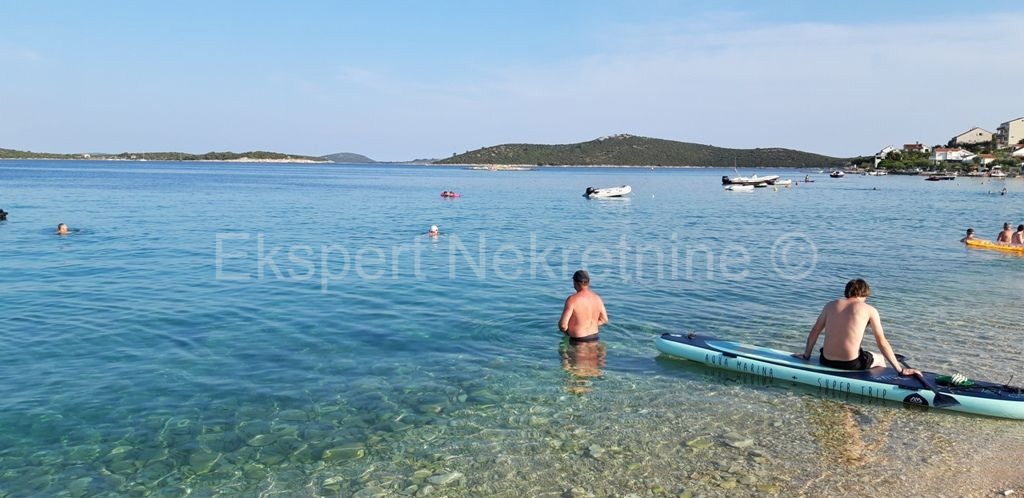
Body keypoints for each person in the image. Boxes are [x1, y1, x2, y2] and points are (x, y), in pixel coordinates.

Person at [794, 279, 919, 377]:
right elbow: (882, 342)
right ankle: (876, 383)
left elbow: (814, 332)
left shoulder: (830, 305)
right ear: (864, 294)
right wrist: (900, 369)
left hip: (826, 360)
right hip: (850, 364)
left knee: (863, 354)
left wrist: (806, 356)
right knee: (880, 358)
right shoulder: (870, 310)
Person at [558, 270, 608, 344]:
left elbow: (563, 325)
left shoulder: (572, 300)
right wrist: (589, 325)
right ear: (588, 282)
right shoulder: (597, 298)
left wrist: (567, 331)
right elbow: (604, 320)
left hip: (578, 340)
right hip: (594, 337)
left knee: (564, 354)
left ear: (575, 283)